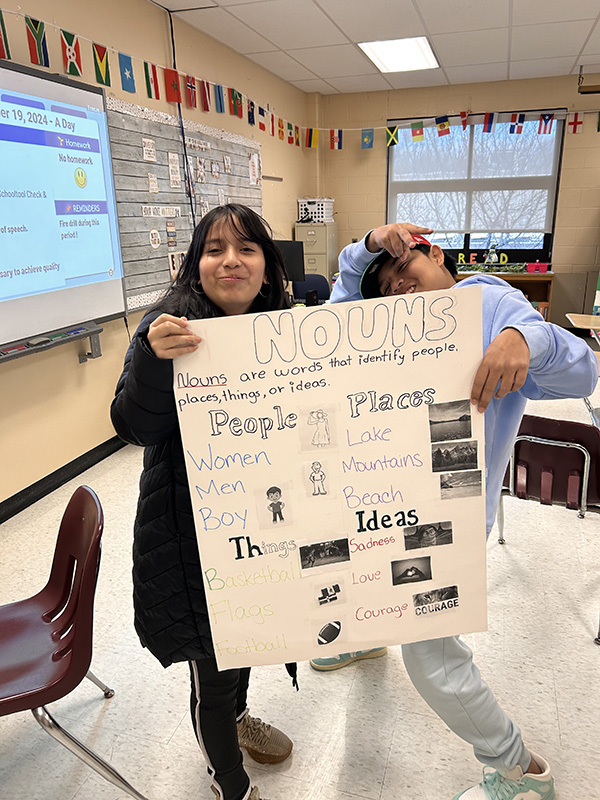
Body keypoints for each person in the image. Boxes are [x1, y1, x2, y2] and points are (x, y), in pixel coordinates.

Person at [327, 222, 599, 800]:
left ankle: (520, 770)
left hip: (445, 525)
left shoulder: (488, 302)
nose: (401, 290)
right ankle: (368, 633)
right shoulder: (388, 327)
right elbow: (339, 312)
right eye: (388, 288)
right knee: (351, 584)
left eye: (408, 272)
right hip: (374, 504)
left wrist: (525, 340)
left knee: (432, 660)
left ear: (439, 254)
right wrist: (369, 246)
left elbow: (583, 370)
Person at [110, 204, 295, 800]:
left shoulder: (284, 331)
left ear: (267, 268)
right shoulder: (166, 326)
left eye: (246, 249)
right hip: (190, 540)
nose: (230, 261)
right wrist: (150, 358)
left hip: (263, 531)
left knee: (247, 643)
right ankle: (231, 784)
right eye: (214, 249)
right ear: (196, 265)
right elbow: (133, 426)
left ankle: (238, 720)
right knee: (212, 667)